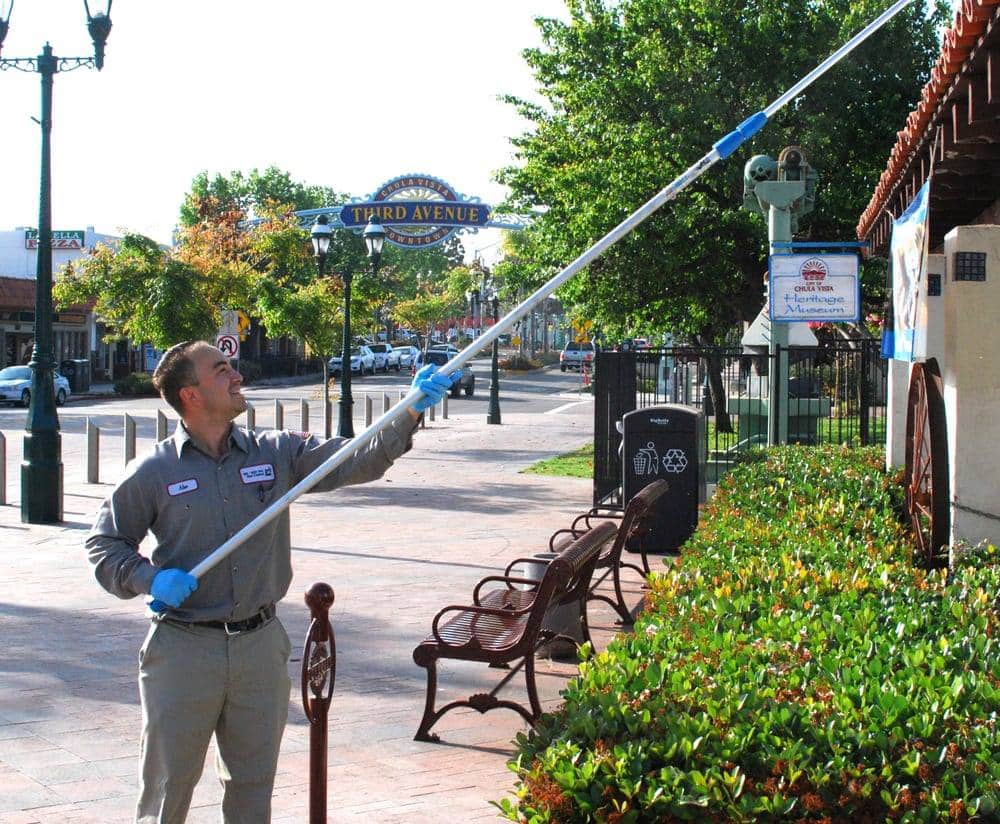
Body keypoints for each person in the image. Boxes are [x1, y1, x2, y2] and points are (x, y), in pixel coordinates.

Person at [86, 340, 457, 824]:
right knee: (166, 788)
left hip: (260, 647)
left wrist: (408, 413)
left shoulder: (277, 452)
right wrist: (149, 578)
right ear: (190, 395)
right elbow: (104, 544)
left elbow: (355, 461)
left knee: (252, 786)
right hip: (183, 649)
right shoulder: (155, 471)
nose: (235, 374)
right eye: (220, 370)